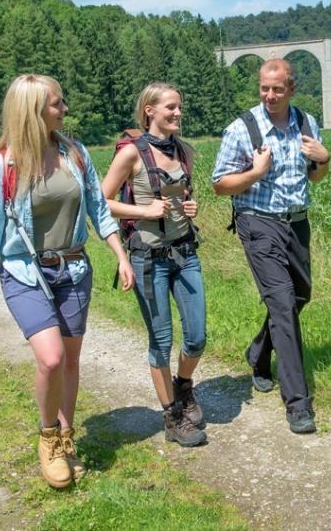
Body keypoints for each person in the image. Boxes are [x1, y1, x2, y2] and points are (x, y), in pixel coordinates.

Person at [0, 74, 134, 489]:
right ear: (34, 110)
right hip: (24, 273)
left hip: (73, 270)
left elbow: (99, 210)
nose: (64, 109)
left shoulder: (75, 153)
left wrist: (120, 255)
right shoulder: (3, 167)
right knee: (50, 358)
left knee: (70, 360)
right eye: (57, 103)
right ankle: (48, 437)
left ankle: (67, 437)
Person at [212, 59, 330, 434]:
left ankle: (259, 354)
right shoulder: (242, 129)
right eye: (265, 87)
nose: (270, 95)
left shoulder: (307, 123)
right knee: (281, 304)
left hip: (297, 223)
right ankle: (298, 404)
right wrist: (256, 173)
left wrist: (324, 160)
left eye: (277, 89)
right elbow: (219, 184)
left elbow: (318, 176)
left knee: (300, 296)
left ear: (291, 89)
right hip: (258, 224)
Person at [101, 82, 207, 447]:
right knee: (161, 342)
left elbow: (184, 196)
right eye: (171, 108)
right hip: (148, 258)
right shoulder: (131, 153)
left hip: (185, 254)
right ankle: (172, 416)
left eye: (179, 107)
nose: (178, 113)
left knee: (196, 336)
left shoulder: (184, 151)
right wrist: (143, 210)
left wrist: (191, 207)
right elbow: (101, 201)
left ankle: (184, 385)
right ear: (150, 110)